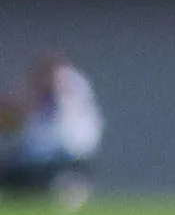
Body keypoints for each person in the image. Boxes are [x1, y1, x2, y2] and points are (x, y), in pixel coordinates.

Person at [4, 51, 103, 202]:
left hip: (64, 156)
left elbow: (22, 109)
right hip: (51, 155)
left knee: (41, 180)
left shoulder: (66, 82)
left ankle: (67, 186)